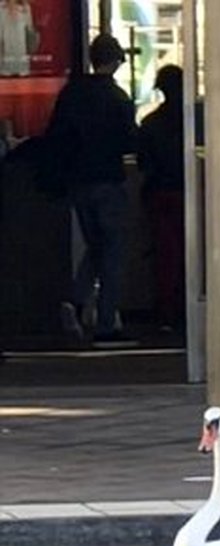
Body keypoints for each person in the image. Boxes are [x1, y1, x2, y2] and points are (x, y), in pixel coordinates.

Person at [46, 34, 136, 345]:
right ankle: (106, 323)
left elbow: (55, 136)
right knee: (112, 250)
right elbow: (130, 141)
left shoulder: (71, 93)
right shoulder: (118, 98)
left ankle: (74, 299)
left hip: (78, 182)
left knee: (96, 245)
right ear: (115, 61)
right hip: (108, 180)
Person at [137, 64, 185, 334]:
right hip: (187, 191)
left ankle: (166, 310)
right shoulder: (197, 120)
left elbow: (143, 161)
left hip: (158, 193)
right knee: (190, 250)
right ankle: (186, 304)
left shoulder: (150, 124)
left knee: (165, 254)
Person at [0, 0, 36, 77]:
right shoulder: (2, 7)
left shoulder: (25, 7)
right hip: (6, 50)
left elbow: (29, 28)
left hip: (21, 49)